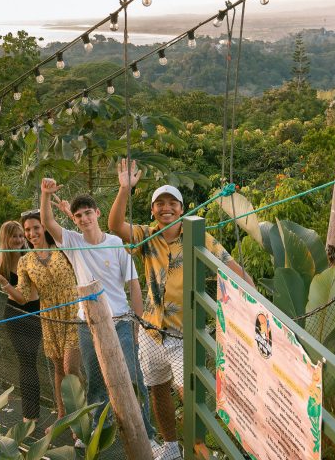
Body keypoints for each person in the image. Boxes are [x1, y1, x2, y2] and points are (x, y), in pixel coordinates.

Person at [108, 158, 255, 460]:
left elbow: (232, 268)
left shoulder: (199, 236)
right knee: (157, 388)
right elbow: (114, 226)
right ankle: (172, 447)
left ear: (182, 208)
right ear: (152, 210)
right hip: (151, 330)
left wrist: (253, 301)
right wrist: (124, 190)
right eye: (159, 204)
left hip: (183, 334)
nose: (165, 208)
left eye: (171, 203)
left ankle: (195, 447)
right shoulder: (147, 236)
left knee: (187, 393)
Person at [39, 177, 158, 447]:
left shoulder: (116, 243)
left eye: (87, 213)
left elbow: (134, 285)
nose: (83, 218)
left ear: (97, 214)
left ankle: (148, 435)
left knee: (133, 375)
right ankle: (98, 431)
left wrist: (138, 324)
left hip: (120, 321)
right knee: (95, 380)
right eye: (78, 215)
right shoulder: (72, 242)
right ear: (75, 218)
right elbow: (48, 223)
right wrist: (45, 195)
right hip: (88, 322)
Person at [0, 211, 81, 424]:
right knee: (34, 363)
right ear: (6, 239)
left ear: (44, 227)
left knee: (70, 366)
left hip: (52, 312)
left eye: (24, 233)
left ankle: (82, 414)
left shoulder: (56, 250)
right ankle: (36, 414)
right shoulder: (16, 261)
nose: (23, 237)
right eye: (20, 233)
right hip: (20, 313)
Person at [0, 221, 42, 422]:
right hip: (14, 314)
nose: (20, 240)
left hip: (36, 313)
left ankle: (32, 414)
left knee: (31, 361)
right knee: (27, 362)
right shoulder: (0, 262)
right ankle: (30, 415)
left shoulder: (31, 257)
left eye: (21, 236)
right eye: (15, 236)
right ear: (6, 238)